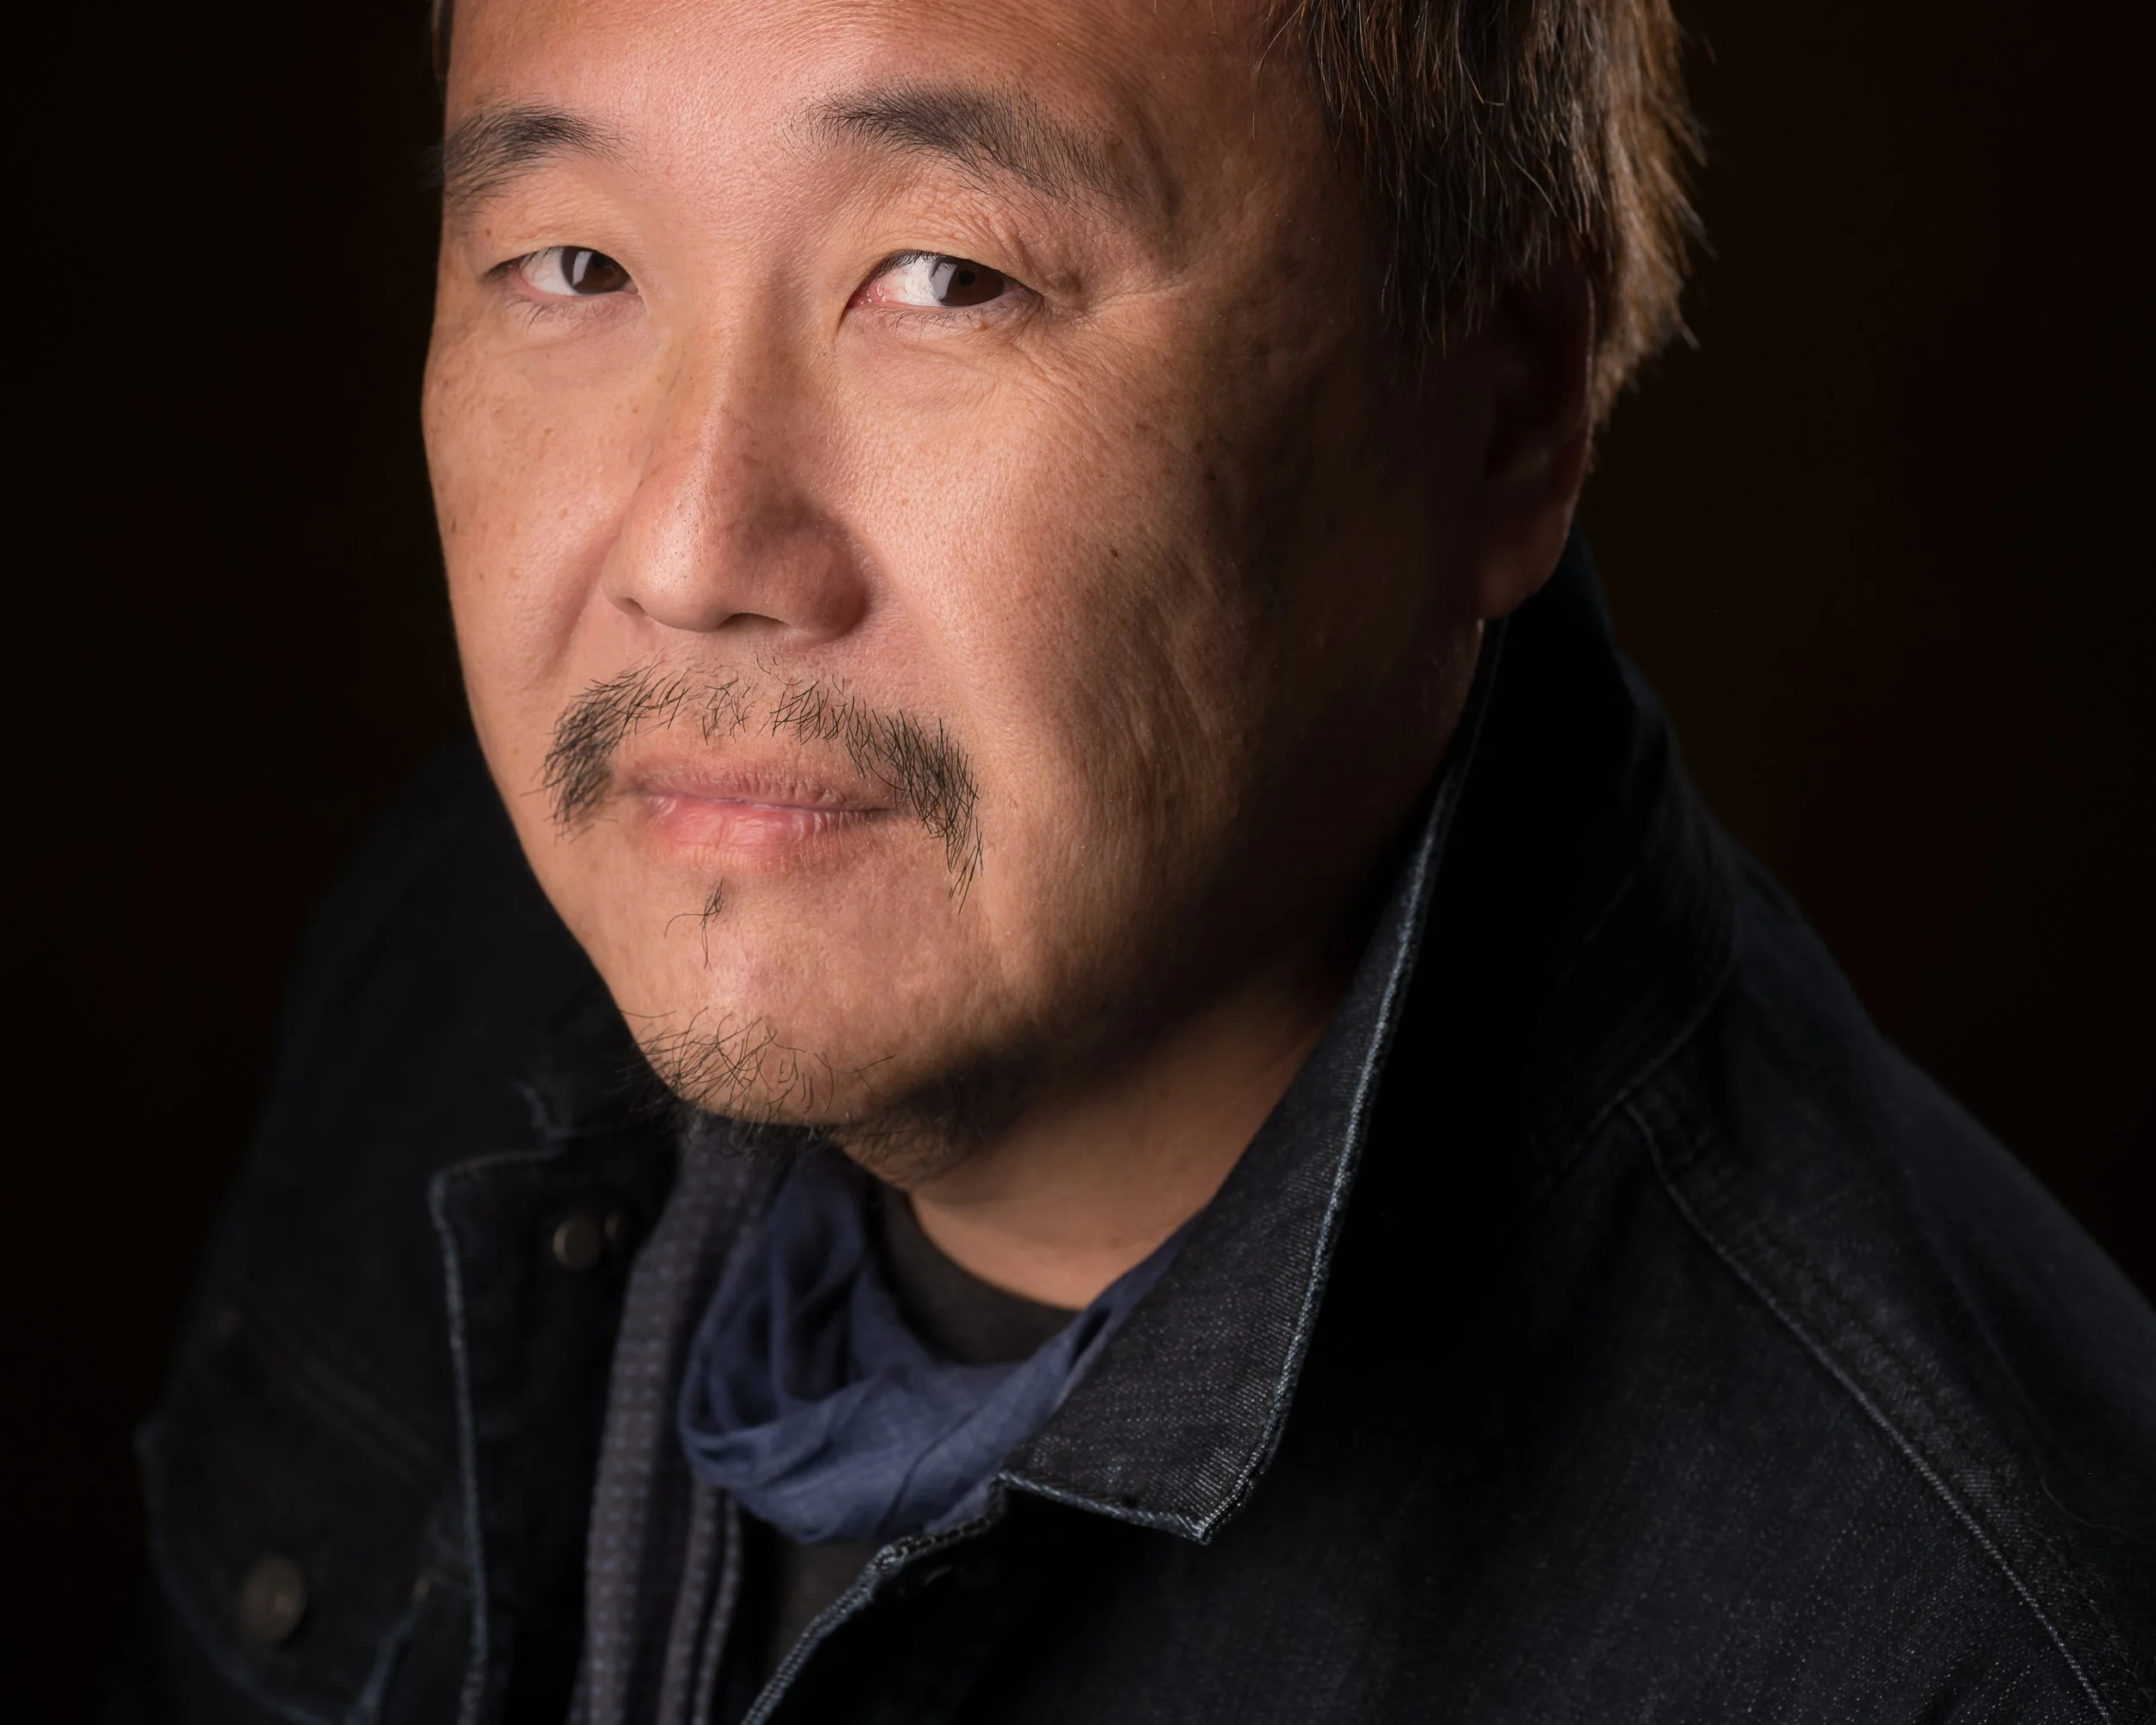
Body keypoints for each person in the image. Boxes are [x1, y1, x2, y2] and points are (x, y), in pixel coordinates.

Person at [109, 0, 2155, 1718]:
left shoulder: (1950, 1644)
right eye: (574, 267)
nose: (692, 555)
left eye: (947, 279)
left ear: (1504, 407)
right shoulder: (476, 943)